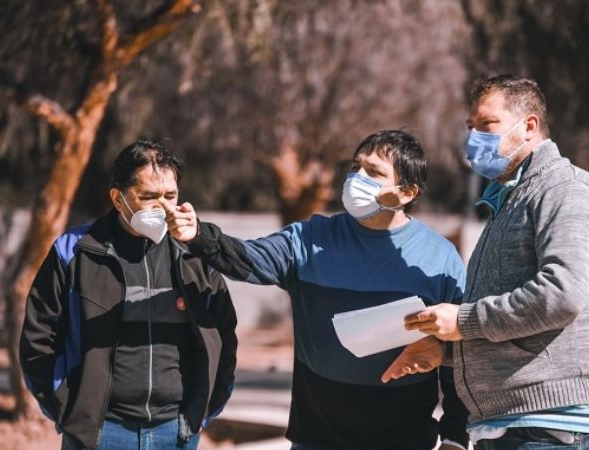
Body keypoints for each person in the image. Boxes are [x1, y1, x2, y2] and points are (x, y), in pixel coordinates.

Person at [167, 130, 469, 450]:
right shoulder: (309, 238)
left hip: (406, 442)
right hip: (316, 440)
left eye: (374, 172)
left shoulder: (440, 257)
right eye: (355, 167)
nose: (357, 178)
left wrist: (454, 438)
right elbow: (245, 259)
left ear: (407, 192)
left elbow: (461, 356)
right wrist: (198, 234)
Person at [384, 76, 589, 449]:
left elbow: (563, 295)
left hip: (549, 427)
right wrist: (446, 350)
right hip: (510, 425)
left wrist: (461, 322)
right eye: (470, 127)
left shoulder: (567, 191)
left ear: (529, 126)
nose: (474, 138)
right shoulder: (512, 202)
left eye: (487, 125)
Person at [20, 139, 238, 450]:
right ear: (118, 198)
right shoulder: (75, 251)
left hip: (176, 431)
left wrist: (200, 413)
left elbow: (224, 335)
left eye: (170, 196)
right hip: (100, 434)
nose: (162, 206)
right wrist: (71, 413)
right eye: (148, 196)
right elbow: (37, 339)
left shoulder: (196, 255)